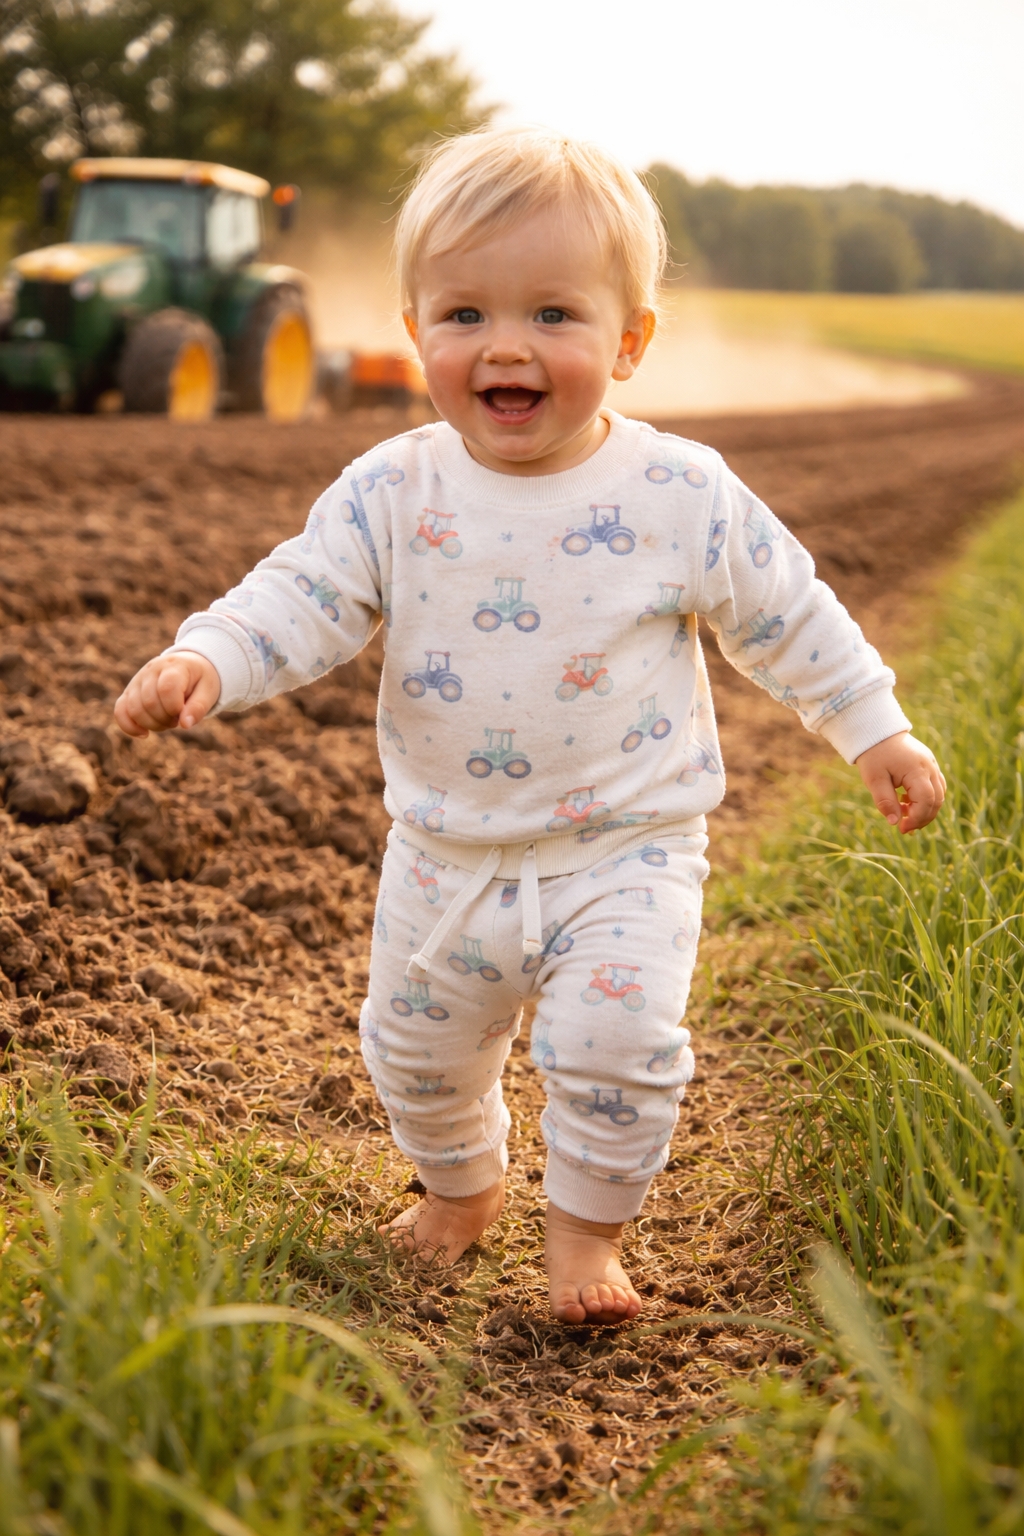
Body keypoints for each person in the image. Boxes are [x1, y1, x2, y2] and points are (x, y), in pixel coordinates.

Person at [114, 128, 945, 1326]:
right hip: (443, 853)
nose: (504, 345)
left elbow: (787, 615)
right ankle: (459, 1192)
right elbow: (302, 594)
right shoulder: (392, 492)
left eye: (554, 313)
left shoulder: (679, 494)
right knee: (413, 1056)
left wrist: (872, 726)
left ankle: (583, 1244)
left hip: (626, 848)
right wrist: (211, 655)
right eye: (463, 316)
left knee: (617, 1048)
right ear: (415, 332)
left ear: (630, 340)